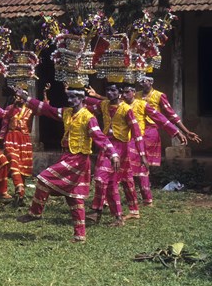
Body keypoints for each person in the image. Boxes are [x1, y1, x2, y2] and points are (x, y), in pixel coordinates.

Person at [16, 87, 120, 243]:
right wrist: (27, 98)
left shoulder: (88, 117)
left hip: (78, 159)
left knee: (43, 178)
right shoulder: (66, 112)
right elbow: (47, 109)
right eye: (69, 97)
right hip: (67, 156)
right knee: (74, 197)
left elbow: (100, 137)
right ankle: (80, 236)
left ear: (82, 99)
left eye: (74, 97)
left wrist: (113, 154)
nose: (70, 100)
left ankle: (35, 213)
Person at [84, 83, 147, 226]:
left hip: (120, 148)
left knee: (106, 178)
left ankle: (97, 210)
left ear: (120, 93)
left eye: (113, 90)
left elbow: (137, 133)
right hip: (106, 145)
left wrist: (142, 154)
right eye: (107, 90)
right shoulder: (104, 105)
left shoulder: (126, 109)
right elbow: (88, 109)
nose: (109, 92)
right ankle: (116, 216)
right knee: (108, 181)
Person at [120, 82, 187, 206]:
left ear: (134, 93)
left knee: (140, 169)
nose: (124, 95)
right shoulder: (119, 105)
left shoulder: (142, 104)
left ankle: (145, 199)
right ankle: (114, 200)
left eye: (127, 92)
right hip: (122, 140)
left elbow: (160, 118)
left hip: (138, 139)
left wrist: (178, 132)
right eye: (122, 92)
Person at [0, 92, 33, 204]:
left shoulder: (30, 109)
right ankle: (18, 185)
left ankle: (20, 195)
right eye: (17, 96)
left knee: (22, 165)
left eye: (21, 97)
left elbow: (43, 109)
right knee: (13, 160)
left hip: (24, 139)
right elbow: (4, 124)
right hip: (11, 136)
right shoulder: (9, 108)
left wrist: (45, 94)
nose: (19, 99)